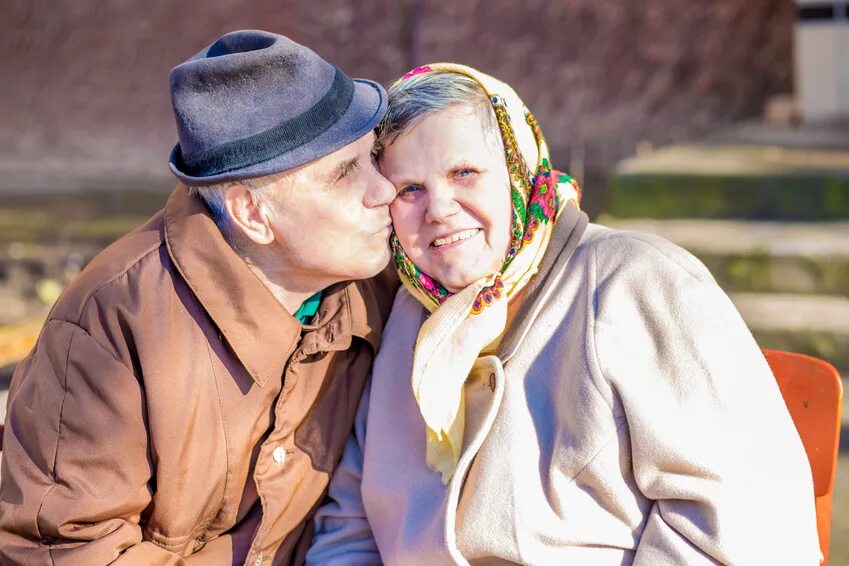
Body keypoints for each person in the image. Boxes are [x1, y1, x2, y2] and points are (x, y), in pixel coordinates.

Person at [306, 63, 821, 565]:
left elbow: (745, 526)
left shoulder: (634, 283)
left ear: (517, 171)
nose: (438, 209)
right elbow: (350, 528)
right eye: (409, 189)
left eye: (464, 173)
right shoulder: (405, 316)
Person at [0, 30, 398, 564]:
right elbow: (65, 549)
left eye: (373, 157)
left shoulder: (383, 279)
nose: (386, 191)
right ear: (251, 213)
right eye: (345, 173)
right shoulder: (111, 322)